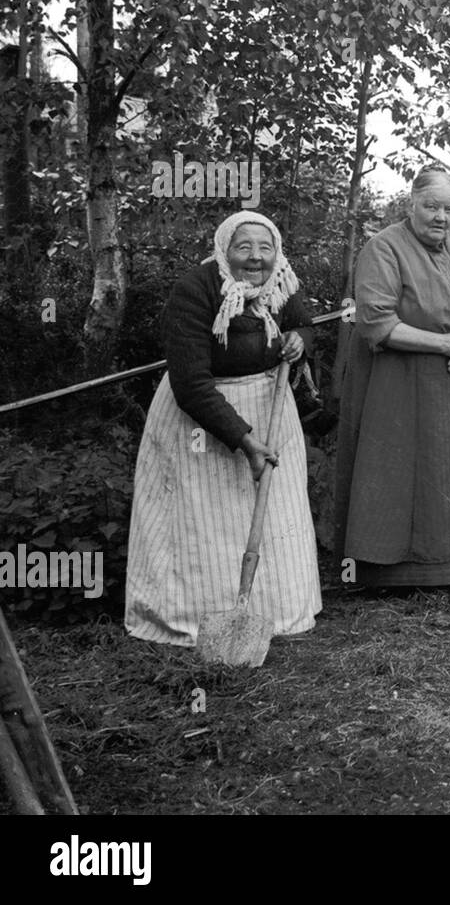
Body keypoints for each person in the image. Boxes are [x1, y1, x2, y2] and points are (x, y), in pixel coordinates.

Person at [126, 210, 322, 645]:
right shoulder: (195, 291)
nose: (255, 258)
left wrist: (299, 341)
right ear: (223, 249)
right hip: (202, 419)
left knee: (275, 516)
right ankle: (193, 617)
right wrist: (244, 440)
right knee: (204, 523)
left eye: (265, 248)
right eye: (244, 247)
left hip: (271, 406)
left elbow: (304, 324)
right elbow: (191, 384)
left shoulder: (282, 282)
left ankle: (277, 612)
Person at [334, 166, 450, 587]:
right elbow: (377, 323)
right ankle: (391, 572)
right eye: (431, 206)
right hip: (398, 389)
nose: (440, 217)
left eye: (449, 208)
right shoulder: (383, 248)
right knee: (401, 471)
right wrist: (447, 344)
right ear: (411, 203)